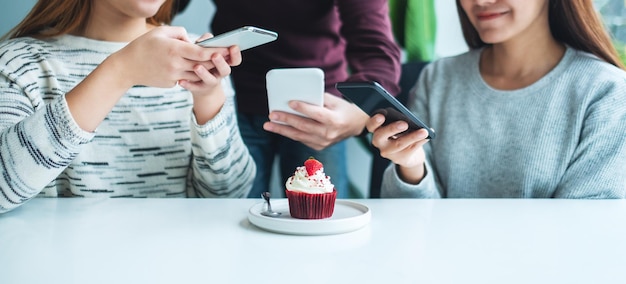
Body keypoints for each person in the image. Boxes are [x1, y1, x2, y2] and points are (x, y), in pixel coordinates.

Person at [0, 0, 256, 213]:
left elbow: (230, 195)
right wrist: (120, 71)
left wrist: (209, 99)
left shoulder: (195, 58)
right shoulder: (19, 64)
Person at [367, 0, 626, 198]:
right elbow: (413, 225)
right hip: (442, 265)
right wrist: (412, 166)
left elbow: (584, 234)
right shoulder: (438, 78)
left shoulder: (605, 91)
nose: (480, 1)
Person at [210, 0, 402, 198]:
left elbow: (376, 47)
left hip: (319, 108)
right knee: (233, 217)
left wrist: (359, 115)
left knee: (323, 222)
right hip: (233, 97)